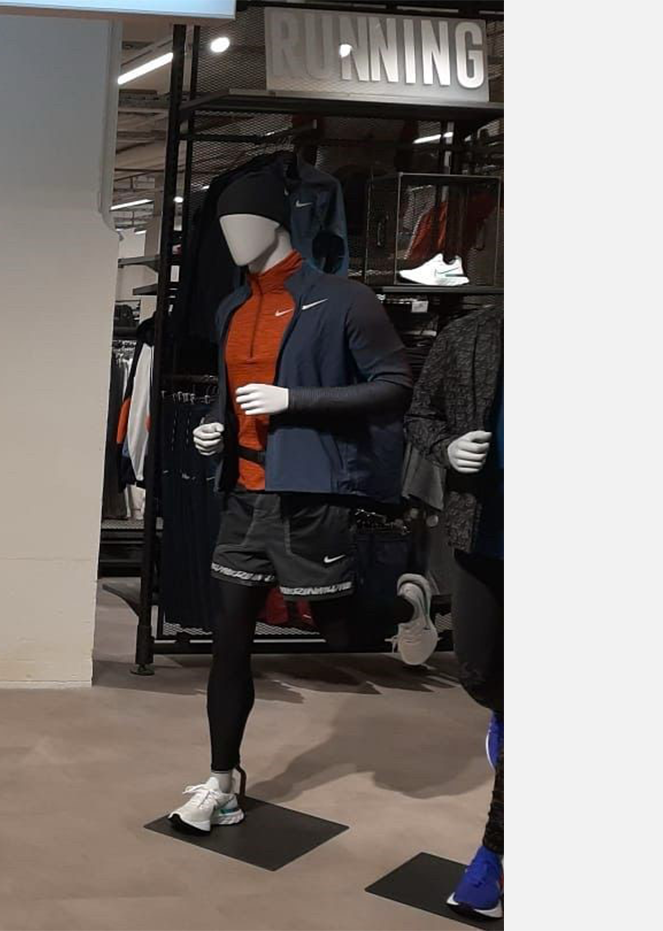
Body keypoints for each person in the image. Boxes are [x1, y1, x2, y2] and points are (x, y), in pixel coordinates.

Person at [167, 166, 437, 837]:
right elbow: (230, 395)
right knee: (228, 639)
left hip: (310, 493)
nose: (232, 238)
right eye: (223, 227)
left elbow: (394, 385)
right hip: (243, 493)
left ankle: (406, 601)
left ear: (276, 224)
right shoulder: (231, 307)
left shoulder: (343, 300)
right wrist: (213, 428)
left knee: (342, 631)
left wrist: (295, 401)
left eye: (242, 224)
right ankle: (222, 781)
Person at [406, 305, 503, 920]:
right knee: (478, 670)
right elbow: (420, 414)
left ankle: (495, 856)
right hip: (481, 535)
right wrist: (447, 447)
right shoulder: (469, 332)